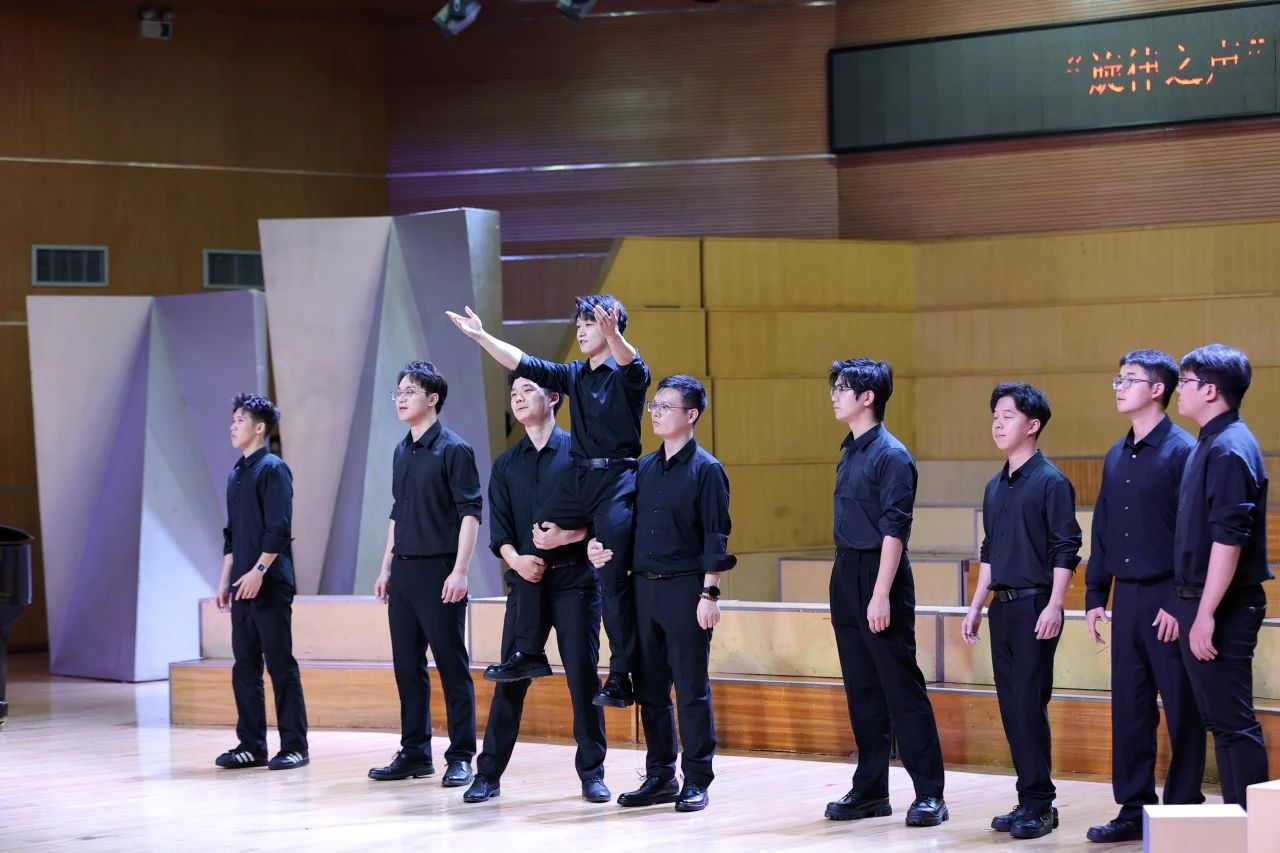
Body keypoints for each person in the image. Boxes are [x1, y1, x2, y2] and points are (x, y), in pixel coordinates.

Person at [447, 295, 648, 708]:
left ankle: (621, 675)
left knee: (610, 572)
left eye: (589, 323)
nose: (581, 331)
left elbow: (630, 361)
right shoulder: (574, 374)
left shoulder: (628, 373)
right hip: (580, 476)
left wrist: (614, 337)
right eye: (579, 324)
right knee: (533, 538)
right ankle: (529, 651)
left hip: (615, 477)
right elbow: (524, 362)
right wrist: (482, 336)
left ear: (611, 325)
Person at [462, 375, 610, 805]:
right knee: (511, 678)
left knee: (582, 677)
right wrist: (516, 560)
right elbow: (500, 531)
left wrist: (568, 537)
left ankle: (592, 774)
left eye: (528, 390)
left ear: (554, 397)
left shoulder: (581, 453)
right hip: (525, 584)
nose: (518, 399)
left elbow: (605, 515)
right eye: (513, 394)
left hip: (575, 581)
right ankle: (488, 775)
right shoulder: (507, 463)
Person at [591, 375, 734, 813]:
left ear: (691, 415)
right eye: (654, 406)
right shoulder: (644, 468)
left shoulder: (707, 470)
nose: (655, 413)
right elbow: (622, 524)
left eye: (665, 407)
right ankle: (660, 776)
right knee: (650, 689)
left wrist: (709, 593)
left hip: (686, 589)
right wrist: (597, 546)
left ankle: (697, 778)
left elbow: (715, 536)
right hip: (642, 589)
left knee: (690, 689)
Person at [1083, 350, 1204, 844]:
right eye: (1118, 379)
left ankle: (1184, 806)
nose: (1118, 387)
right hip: (1127, 598)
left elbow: (1193, 534)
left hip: (1168, 596)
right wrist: (1095, 593)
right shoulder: (1115, 454)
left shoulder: (1184, 451)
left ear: (1157, 389)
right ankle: (1133, 807)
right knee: (1129, 707)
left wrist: (1178, 600)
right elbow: (1103, 526)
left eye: (1129, 379)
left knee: (1181, 705)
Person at [821, 359, 947, 828]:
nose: (834, 395)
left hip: (881, 575)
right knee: (861, 688)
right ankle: (871, 789)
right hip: (846, 571)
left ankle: (929, 793)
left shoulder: (891, 455)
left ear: (868, 397)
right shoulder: (850, 450)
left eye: (843, 388)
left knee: (901, 687)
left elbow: (895, 529)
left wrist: (880, 594)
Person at [962, 382, 1082, 840]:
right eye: (995, 415)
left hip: (1036, 605)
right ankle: (1027, 797)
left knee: (1029, 704)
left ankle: (1040, 803)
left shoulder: (1052, 482)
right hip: (1002, 608)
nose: (997, 423)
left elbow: (1066, 548)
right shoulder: (994, 486)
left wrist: (1055, 605)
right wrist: (976, 605)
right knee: (1012, 706)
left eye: (1008, 415)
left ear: (1032, 425)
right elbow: (990, 551)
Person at [368, 361, 480, 788]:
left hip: (440, 570)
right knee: (407, 666)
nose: (400, 398)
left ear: (432, 399)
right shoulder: (401, 450)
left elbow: (470, 513)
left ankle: (461, 756)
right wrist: (385, 566)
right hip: (404, 571)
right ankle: (415, 752)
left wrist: (460, 571)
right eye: (397, 392)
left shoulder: (454, 449)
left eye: (409, 391)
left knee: (452, 665)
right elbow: (397, 513)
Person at [1171, 343, 1271, 809]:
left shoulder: (1230, 447)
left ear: (1210, 390)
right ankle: (1239, 822)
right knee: (1221, 722)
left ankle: (1253, 826)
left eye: (1185, 382)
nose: (1178, 390)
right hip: (1201, 600)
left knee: (1233, 724)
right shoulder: (1210, 442)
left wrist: (1205, 612)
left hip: (1223, 605)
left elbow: (1228, 540)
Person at [215, 393, 309, 771]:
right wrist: (225, 581)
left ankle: (295, 746)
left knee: (280, 664)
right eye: (233, 420)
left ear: (259, 428)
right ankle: (252, 745)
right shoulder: (236, 473)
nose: (232, 426)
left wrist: (258, 571)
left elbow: (279, 528)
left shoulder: (273, 469)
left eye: (240, 420)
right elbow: (232, 535)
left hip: (270, 582)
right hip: (242, 584)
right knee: (245, 666)